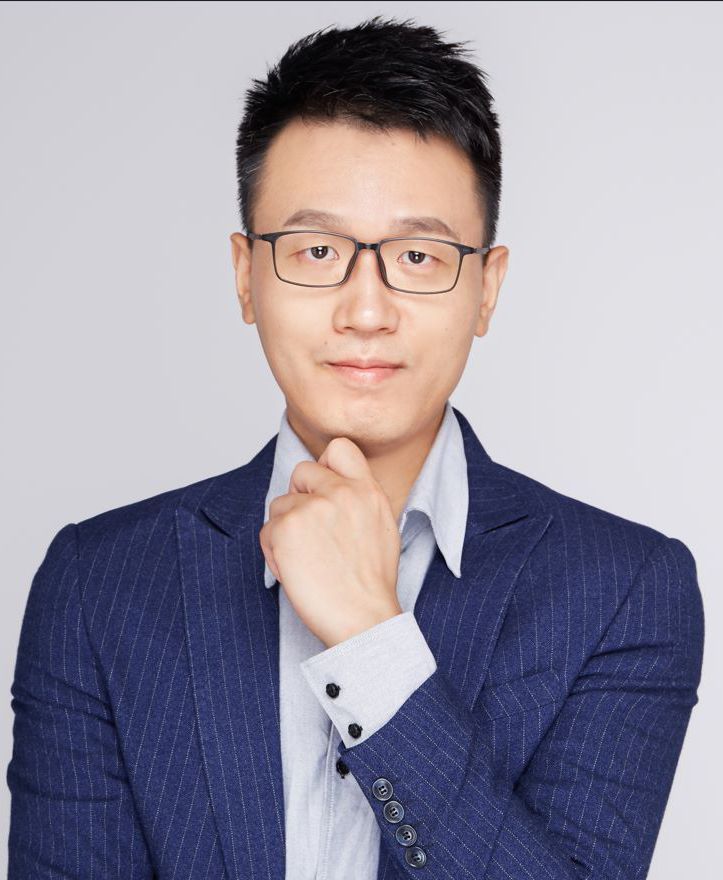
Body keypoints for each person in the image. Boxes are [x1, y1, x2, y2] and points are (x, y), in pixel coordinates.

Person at [7, 15, 704, 880]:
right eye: (316, 250)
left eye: (418, 256)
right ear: (245, 276)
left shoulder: (623, 590)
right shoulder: (99, 584)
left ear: (485, 289)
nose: (365, 310)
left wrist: (370, 640)